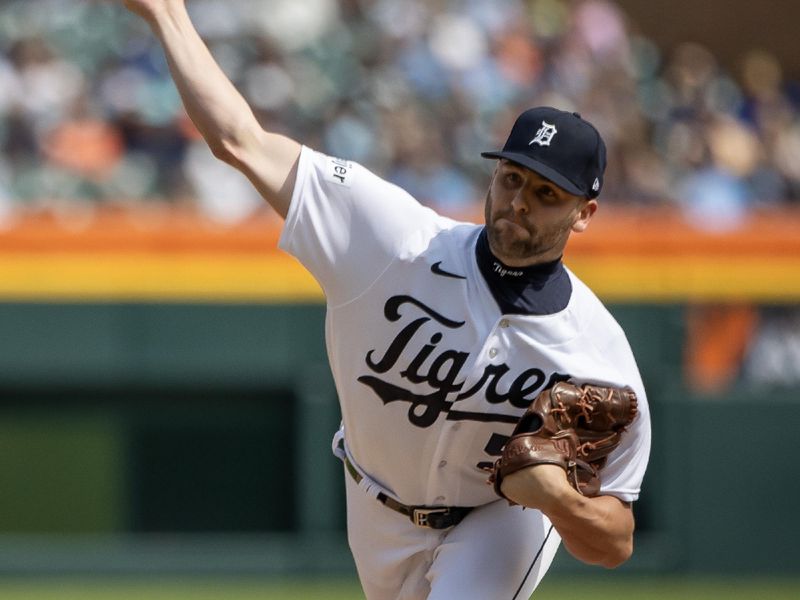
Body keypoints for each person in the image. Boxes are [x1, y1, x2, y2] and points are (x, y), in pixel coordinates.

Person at [123, 2, 651, 598]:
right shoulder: (394, 241)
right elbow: (239, 140)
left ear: (585, 214)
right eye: (511, 178)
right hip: (373, 505)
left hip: (500, 519)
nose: (520, 202)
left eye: (547, 193)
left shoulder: (597, 354)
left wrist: (555, 497)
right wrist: (166, 14)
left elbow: (615, 542)